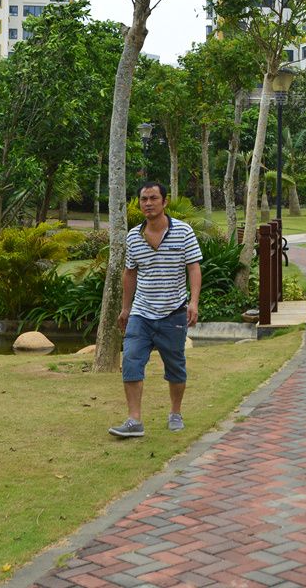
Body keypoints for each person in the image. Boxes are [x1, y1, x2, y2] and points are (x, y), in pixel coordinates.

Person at [109, 181, 201, 439]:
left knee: (175, 366)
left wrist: (193, 302)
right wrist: (126, 309)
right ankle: (134, 420)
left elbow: (193, 267)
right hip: (141, 312)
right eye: (143, 199)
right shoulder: (133, 236)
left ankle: (175, 412)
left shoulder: (183, 231)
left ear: (164, 202)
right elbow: (130, 273)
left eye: (153, 198)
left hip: (173, 312)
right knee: (131, 361)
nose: (148, 203)